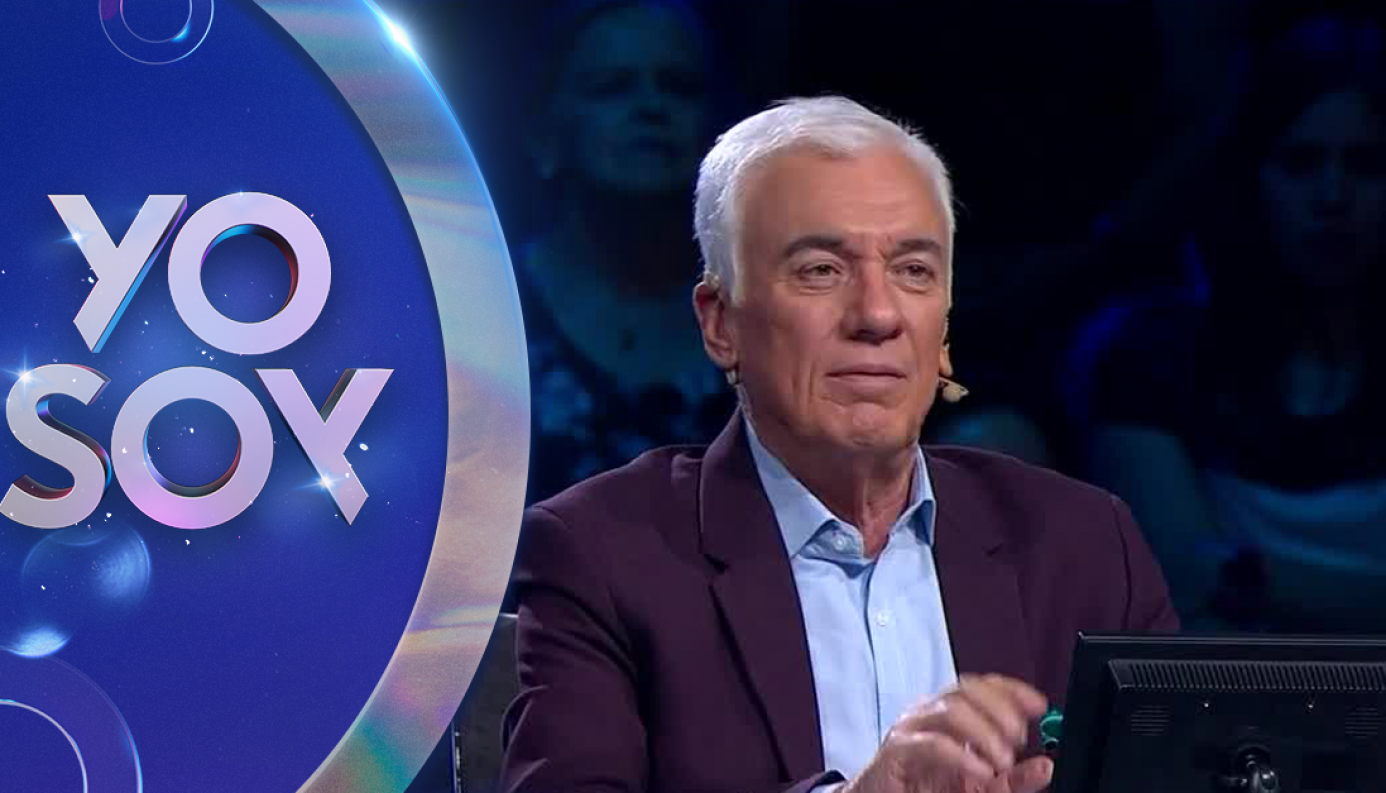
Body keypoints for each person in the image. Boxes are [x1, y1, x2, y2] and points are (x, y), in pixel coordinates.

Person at [502, 96, 1177, 793]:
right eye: (821, 269)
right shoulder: (601, 557)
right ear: (721, 323)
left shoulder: (1086, 545)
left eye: (913, 271)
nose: (877, 315)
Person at [1081, 12, 1386, 633]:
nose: (1332, 196)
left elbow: (1220, 578)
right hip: (1223, 691)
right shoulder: (1153, 359)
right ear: (1252, 178)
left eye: (1364, 165)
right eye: (1301, 163)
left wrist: (1255, 580)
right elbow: (1181, 580)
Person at [517, 0, 735, 505]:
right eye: (612, 87)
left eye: (678, 86)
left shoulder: (763, 315)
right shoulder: (483, 305)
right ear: (546, 131)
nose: (652, 106)